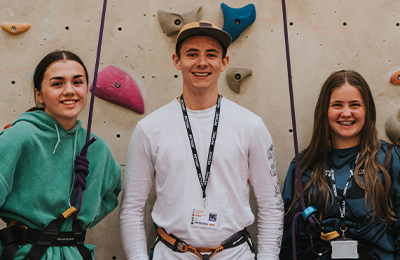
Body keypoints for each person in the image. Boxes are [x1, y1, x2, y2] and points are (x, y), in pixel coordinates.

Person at [120, 21, 283, 259]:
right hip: (171, 253)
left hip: (235, 253)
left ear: (223, 63)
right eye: (192, 54)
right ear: (177, 60)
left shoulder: (251, 126)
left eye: (212, 54)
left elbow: (271, 206)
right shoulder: (149, 128)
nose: (202, 62)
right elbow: (132, 208)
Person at [0, 50, 122, 259]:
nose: (69, 91)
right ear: (39, 94)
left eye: (77, 82)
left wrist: (78, 221)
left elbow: (112, 193)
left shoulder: (97, 147)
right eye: (57, 83)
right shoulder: (18, 137)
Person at [280, 70, 400, 259]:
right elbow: (289, 238)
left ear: (367, 110)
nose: (346, 113)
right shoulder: (303, 165)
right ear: (324, 111)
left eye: (354, 105)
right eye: (337, 105)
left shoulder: (390, 160)